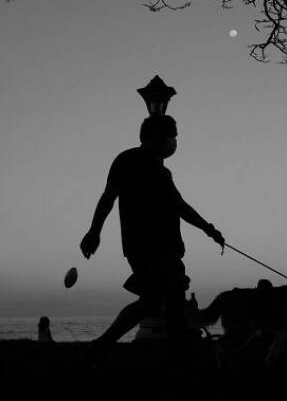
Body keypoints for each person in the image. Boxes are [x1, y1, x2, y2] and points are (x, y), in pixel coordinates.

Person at [80, 115, 225, 354]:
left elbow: (180, 206)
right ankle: (107, 344)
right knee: (161, 296)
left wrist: (209, 229)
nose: (174, 142)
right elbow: (108, 197)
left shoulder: (162, 171)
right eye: (172, 136)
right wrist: (94, 232)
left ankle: (172, 347)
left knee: (160, 298)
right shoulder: (128, 160)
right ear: (157, 136)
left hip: (163, 247)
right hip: (147, 246)